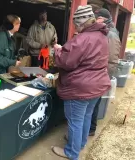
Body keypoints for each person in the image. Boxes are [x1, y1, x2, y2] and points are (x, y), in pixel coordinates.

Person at [51, 5, 111, 160]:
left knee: (75, 121)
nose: (75, 27)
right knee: (86, 116)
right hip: (98, 85)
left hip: (80, 88)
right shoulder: (102, 36)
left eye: (76, 24)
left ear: (80, 22)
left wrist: (58, 50)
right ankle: (80, 143)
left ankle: (71, 152)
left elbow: (66, 62)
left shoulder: (82, 38)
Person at [89, 8, 121, 136]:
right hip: (100, 73)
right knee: (93, 101)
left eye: (97, 18)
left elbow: (112, 59)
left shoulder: (111, 34)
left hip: (102, 74)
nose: (95, 21)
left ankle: (91, 128)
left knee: (94, 102)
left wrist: (102, 75)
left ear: (103, 19)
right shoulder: (106, 32)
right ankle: (90, 127)